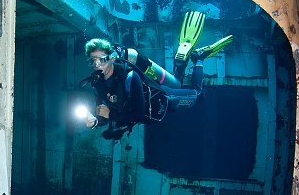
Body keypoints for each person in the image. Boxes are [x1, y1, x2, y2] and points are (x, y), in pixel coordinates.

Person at [82, 11, 232, 140]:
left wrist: (111, 115)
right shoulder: (97, 83)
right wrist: (95, 121)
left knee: (199, 95)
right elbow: (104, 112)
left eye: (101, 60)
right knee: (177, 83)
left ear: (112, 59)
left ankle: (198, 58)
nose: (96, 65)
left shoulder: (129, 77)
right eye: (92, 61)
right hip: (153, 96)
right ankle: (181, 63)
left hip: (163, 101)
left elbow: (138, 115)